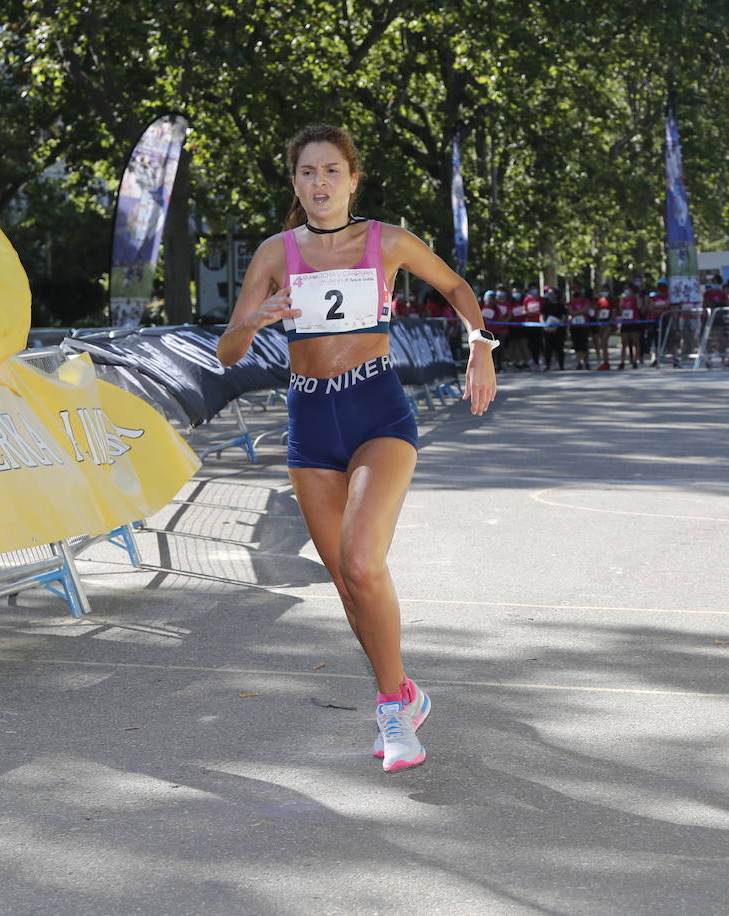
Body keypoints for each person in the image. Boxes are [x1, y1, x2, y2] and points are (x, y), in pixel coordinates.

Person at [216, 124, 495, 772]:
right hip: (310, 420)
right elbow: (227, 351)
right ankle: (399, 691)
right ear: (295, 182)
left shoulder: (385, 241)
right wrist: (257, 319)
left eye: (331, 171)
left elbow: (454, 286)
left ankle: (395, 708)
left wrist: (480, 344)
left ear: (352, 178)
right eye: (307, 172)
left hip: (376, 409)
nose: (320, 184)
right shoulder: (274, 254)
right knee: (346, 580)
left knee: (362, 561)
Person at [566, 284, 594, 369]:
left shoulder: (585, 301)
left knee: (584, 345)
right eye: (574, 290)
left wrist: (576, 312)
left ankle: (586, 362)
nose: (575, 291)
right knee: (577, 345)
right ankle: (579, 363)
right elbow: (570, 312)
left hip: (584, 326)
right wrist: (579, 312)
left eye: (577, 290)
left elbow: (586, 310)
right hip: (574, 326)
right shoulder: (571, 302)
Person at [617, 283, 643, 369]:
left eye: (627, 288)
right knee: (624, 342)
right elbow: (620, 311)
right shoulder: (623, 299)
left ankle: (635, 361)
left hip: (634, 322)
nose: (626, 290)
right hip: (625, 322)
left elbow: (639, 307)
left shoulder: (635, 297)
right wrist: (621, 301)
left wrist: (637, 297)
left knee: (636, 342)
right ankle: (622, 361)